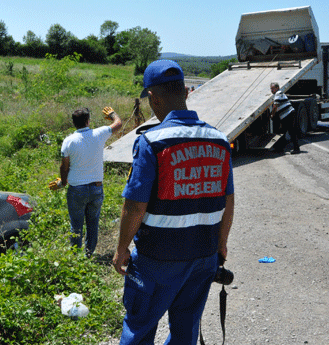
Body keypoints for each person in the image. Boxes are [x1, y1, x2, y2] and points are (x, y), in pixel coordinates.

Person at [112, 60, 235, 345]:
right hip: (203, 256)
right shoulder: (219, 140)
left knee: (139, 330)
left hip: (158, 259)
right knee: (185, 331)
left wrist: (121, 249)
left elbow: (135, 206)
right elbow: (228, 199)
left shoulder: (152, 142)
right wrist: (221, 243)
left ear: (153, 98)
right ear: (187, 92)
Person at [49, 107, 121, 257]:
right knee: (93, 223)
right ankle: (89, 253)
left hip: (76, 190)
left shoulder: (68, 141)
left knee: (76, 225)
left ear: (73, 123)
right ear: (88, 121)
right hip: (96, 189)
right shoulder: (99, 133)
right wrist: (112, 115)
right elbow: (118, 124)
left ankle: (75, 258)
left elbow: (64, 166)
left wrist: (63, 182)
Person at [270, 82, 301, 154]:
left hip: (289, 114)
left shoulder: (278, 93)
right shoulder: (277, 94)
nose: (271, 90)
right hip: (286, 115)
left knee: (290, 131)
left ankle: (296, 149)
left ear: (277, 88)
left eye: (273, 88)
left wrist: (272, 115)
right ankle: (279, 148)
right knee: (282, 132)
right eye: (271, 89)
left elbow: (275, 106)